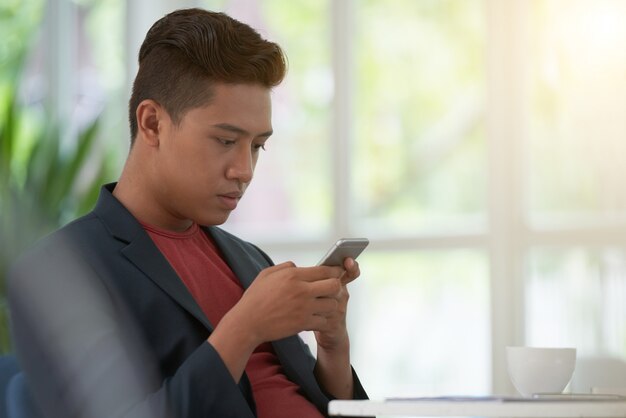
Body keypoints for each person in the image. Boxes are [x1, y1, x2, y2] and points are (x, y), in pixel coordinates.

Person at [8, 7, 368, 418]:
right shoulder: (59, 272)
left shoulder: (249, 259)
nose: (244, 170)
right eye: (225, 140)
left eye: (257, 146)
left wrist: (333, 347)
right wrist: (244, 326)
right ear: (152, 124)